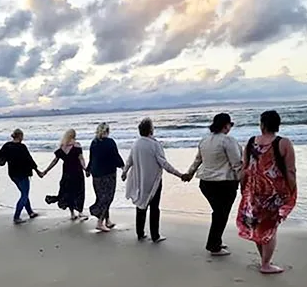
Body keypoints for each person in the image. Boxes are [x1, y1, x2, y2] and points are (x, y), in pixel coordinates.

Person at [236, 110, 297, 274]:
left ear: (262, 124)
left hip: (254, 191)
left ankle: (264, 259)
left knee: (258, 226)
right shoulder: (284, 143)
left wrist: (243, 189)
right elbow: (290, 171)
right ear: (278, 125)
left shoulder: (250, 142)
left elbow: (244, 169)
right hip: (274, 193)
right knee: (270, 228)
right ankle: (266, 264)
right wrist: (292, 190)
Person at [182, 113, 242, 256]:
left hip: (206, 183)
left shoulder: (204, 140)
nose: (230, 128)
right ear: (225, 125)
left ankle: (216, 241)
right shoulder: (228, 141)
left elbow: (198, 160)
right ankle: (213, 245)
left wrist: (189, 173)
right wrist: (243, 182)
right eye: (230, 125)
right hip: (224, 183)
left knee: (218, 213)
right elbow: (237, 164)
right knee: (221, 214)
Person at [122, 118, 184, 243]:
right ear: (151, 130)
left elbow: (129, 160)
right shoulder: (155, 145)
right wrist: (179, 174)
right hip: (154, 181)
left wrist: (124, 172)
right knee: (154, 208)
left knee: (140, 206)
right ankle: (155, 236)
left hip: (140, 180)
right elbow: (164, 164)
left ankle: (140, 233)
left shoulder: (136, 144)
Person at [0, 129, 44, 224]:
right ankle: (16, 217)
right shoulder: (22, 147)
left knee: (23, 193)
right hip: (23, 173)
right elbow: (29, 160)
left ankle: (30, 213)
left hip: (13, 174)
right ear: (20, 136)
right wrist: (38, 171)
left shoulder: (7, 145)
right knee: (24, 195)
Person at [43, 129, 88, 220]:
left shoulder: (62, 147)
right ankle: (80, 212)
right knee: (79, 192)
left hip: (67, 173)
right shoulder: (77, 145)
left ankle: (72, 214)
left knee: (69, 192)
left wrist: (46, 171)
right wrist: (85, 169)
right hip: (77, 172)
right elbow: (81, 159)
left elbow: (54, 161)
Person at [87, 123, 124, 232]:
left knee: (102, 197)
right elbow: (115, 156)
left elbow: (92, 158)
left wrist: (88, 170)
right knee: (107, 198)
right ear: (107, 131)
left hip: (96, 174)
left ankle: (107, 221)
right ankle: (100, 222)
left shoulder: (94, 142)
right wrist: (123, 167)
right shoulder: (110, 142)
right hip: (108, 174)